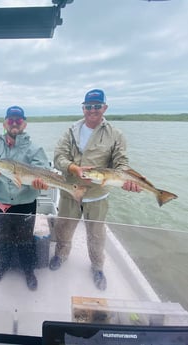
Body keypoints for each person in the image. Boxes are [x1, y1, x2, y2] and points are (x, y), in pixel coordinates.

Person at [49, 89, 141, 290]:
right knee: (63, 228)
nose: (92, 110)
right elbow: (59, 157)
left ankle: (98, 267)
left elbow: (121, 162)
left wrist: (128, 179)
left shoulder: (115, 135)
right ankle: (60, 255)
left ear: (104, 108)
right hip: (70, 191)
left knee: (97, 235)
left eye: (97, 106)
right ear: (83, 108)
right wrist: (74, 168)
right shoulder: (71, 131)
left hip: (97, 196)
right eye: (88, 106)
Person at [0, 105, 49, 291]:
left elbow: (44, 170)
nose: (14, 123)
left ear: (24, 123)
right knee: (2, 239)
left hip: (26, 203)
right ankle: (2, 266)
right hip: (1, 203)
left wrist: (39, 183)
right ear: (4, 123)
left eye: (18, 120)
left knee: (26, 240)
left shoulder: (34, 148)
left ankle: (28, 270)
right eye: (11, 120)